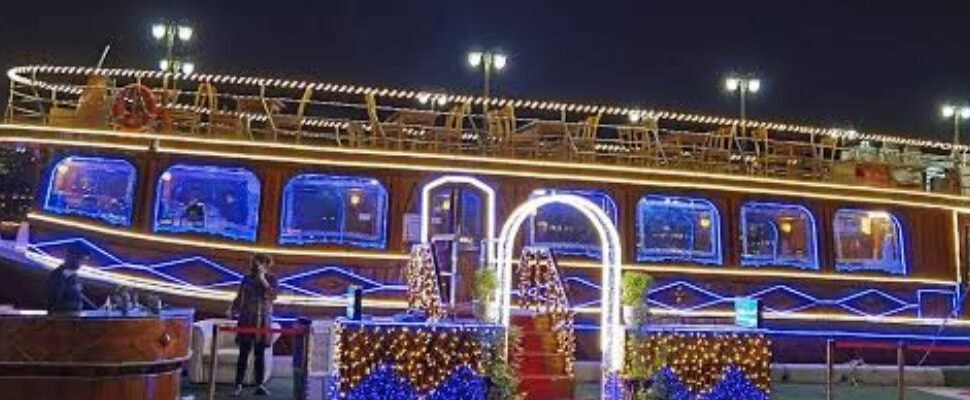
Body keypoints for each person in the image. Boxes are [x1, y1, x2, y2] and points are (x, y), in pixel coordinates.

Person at [228, 253, 279, 397]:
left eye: (259, 263)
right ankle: (238, 384)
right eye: (254, 263)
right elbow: (240, 296)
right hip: (246, 319)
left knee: (259, 354)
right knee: (243, 354)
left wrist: (263, 279)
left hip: (262, 320)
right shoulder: (246, 278)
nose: (256, 266)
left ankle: (259, 385)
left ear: (266, 264)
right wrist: (232, 308)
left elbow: (273, 296)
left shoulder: (271, 279)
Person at [46, 246, 93, 314]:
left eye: (84, 260)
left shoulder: (73, 275)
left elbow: (78, 296)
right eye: (81, 259)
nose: (82, 263)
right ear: (70, 257)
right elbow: (54, 300)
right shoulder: (58, 275)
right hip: (62, 320)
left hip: (72, 318)